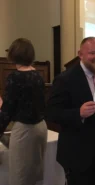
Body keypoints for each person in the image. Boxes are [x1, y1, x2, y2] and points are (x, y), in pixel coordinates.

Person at [46, 37, 95, 185]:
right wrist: (78, 113)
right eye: (92, 53)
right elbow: (51, 112)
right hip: (78, 151)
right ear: (80, 54)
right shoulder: (65, 79)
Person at [0, 38, 47, 185]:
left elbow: (8, 109)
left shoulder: (15, 77)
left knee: (19, 177)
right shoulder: (38, 75)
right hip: (41, 127)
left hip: (25, 130)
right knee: (34, 175)